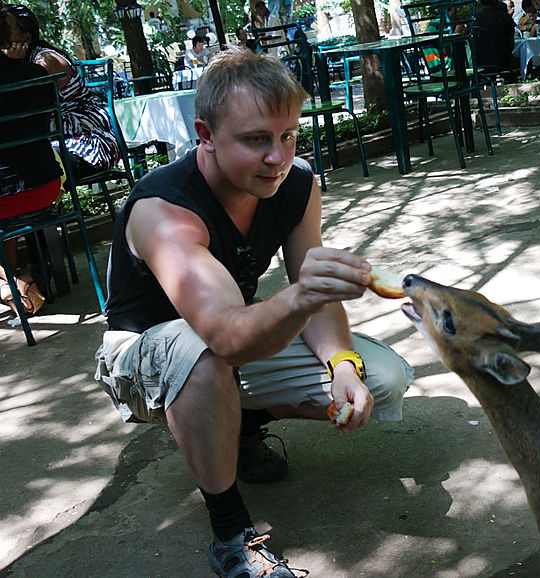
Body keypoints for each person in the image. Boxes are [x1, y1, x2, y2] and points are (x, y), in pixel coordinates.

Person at [93, 48, 413, 576]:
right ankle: (232, 534)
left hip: (224, 340)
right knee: (199, 351)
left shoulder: (295, 183)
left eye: (288, 135)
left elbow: (312, 292)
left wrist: (342, 367)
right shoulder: (165, 211)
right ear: (206, 134)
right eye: (256, 139)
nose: (277, 157)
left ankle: (236, 429)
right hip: (142, 358)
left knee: (381, 377)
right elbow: (225, 335)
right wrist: (300, 295)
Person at [1, 4, 119, 180]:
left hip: (86, 143)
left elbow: (29, 109)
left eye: (6, 29)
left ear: (26, 37)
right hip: (51, 140)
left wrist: (13, 64)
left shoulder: (45, 61)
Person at [0, 8, 59, 316]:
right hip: (47, 187)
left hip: (7, 200)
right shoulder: (36, 75)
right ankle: (14, 286)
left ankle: (13, 284)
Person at [473, 0, 516, 71]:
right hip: (501, 60)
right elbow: (511, 45)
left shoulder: (475, 18)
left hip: (479, 61)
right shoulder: (503, 16)